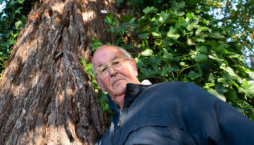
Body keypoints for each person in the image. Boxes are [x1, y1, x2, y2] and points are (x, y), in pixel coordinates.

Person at [92, 44, 254, 144]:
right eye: (103, 69)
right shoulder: (107, 139)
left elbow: (241, 135)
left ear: (133, 66)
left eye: (116, 63)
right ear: (100, 84)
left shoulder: (177, 94)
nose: (112, 71)